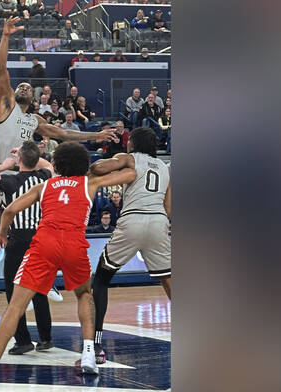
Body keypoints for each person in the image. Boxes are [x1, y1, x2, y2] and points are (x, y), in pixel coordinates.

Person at [0, 141, 138, 386]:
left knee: (16, 306)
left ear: (57, 164)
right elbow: (131, 173)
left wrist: (3, 233)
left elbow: (9, 211)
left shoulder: (44, 185)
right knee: (84, 295)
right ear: (82, 164)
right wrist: (123, 160)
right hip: (75, 243)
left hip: (45, 243)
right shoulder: (90, 182)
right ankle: (89, 353)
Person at [89, 127, 171, 364]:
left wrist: (110, 163)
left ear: (133, 144)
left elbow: (98, 168)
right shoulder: (166, 168)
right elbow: (169, 208)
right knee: (168, 279)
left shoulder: (130, 159)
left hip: (133, 218)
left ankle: (96, 342)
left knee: (102, 279)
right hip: (158, 221)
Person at [0, 16, 118, 169]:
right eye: (21, 87)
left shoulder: (35, 120)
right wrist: (5, 37)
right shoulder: (7, 107)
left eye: (28, 88)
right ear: (13, 93)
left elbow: (63, 134)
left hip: (25, 172)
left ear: (33, 98)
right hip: (2, 169)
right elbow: (0, 69)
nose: (24, 88)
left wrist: (95, 135)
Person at [0, 141, 55, 355]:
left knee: (14, 291)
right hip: (40, 238)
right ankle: (46, 338)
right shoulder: (42, 178)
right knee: (39, 289)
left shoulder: (10, 180)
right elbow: (50, 167)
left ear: (19, 160)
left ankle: (23, 340)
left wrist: (5, 164)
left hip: (18, 239)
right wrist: (30, 154)